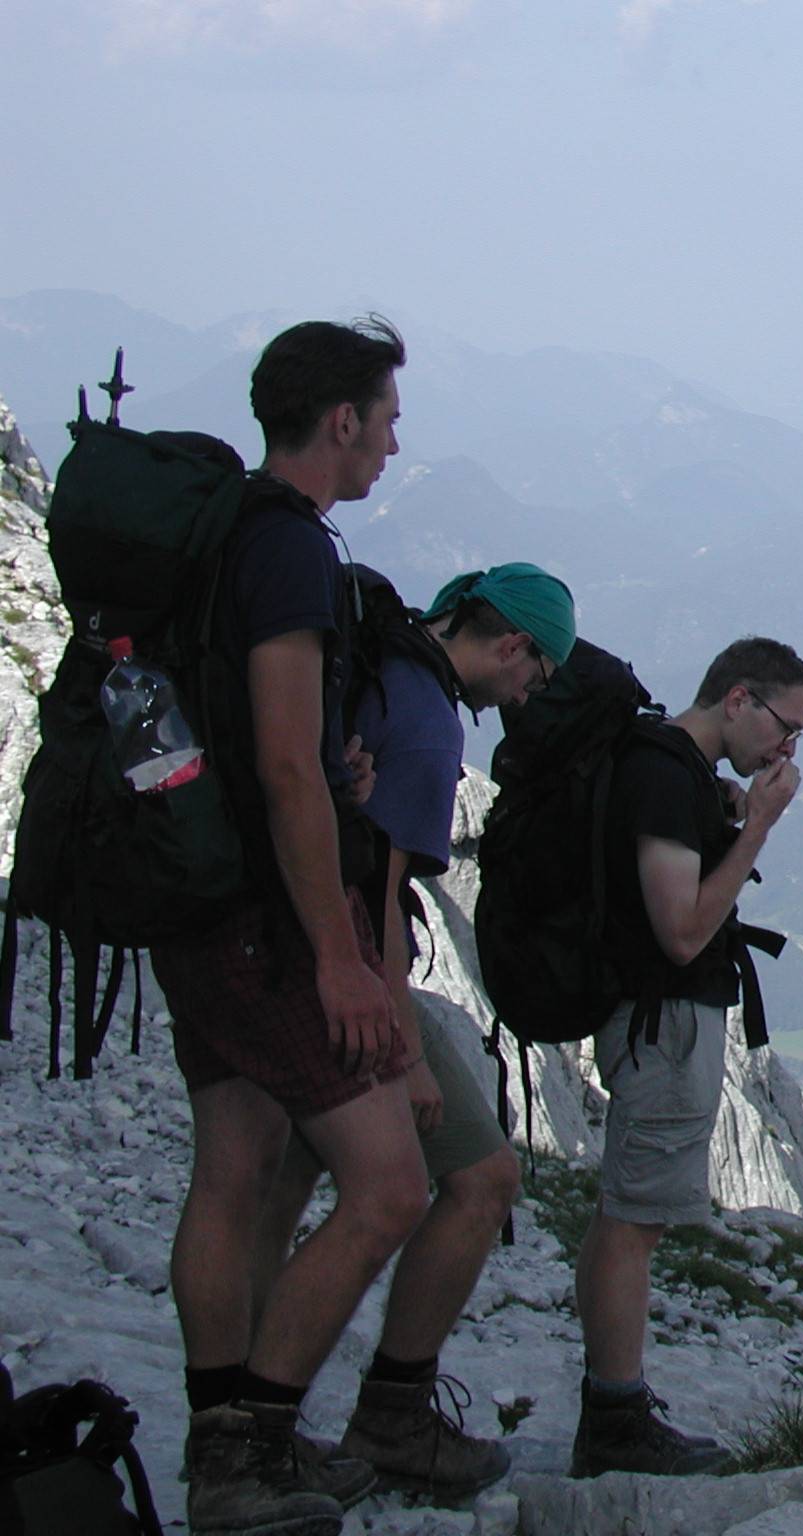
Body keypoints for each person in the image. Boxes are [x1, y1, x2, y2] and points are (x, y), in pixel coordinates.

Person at [151, 318, 424, 1536]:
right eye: (387, 420)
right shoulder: (292, 549)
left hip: (191, 890)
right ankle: (249, 1449)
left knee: (236, 1169)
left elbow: (265, 738)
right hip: (266, 919)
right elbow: (278, 766)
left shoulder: (220, 528)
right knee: (389, 1188)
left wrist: (328, 766)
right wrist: (340, 960)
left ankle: (224, 1436)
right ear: (342, 419)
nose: (393, 445)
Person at [247, 563, 576, 1504]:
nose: (528, 693)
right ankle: (378, 1416)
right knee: (481, 1178)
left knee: (277, 1183)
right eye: (538, 672)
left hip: (264, 950)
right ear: (511, 644)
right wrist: (400, 1046)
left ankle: (236, 1418)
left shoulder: (377, 661)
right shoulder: (430, 722)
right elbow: (378, 897)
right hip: (345, 970)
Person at [570, 637, 803, 1478]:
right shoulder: (666, 776)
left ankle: (613, 1403)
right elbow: (681, 931)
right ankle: (614, 1420)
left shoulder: (673, 768)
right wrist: (758, 829)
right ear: (738, 698)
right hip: (665, 1020)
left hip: (658, 1015)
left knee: (625, 1216)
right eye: (784, 726)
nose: (787, 749)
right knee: (634, 1222)